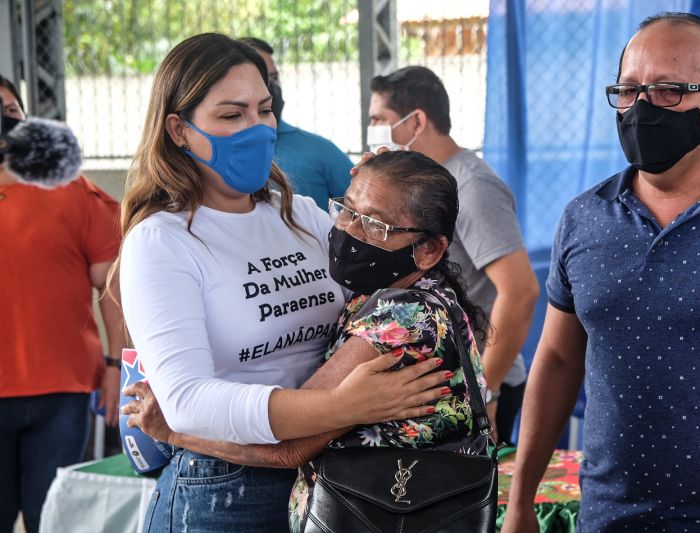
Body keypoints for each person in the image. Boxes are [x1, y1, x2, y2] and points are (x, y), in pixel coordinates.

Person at [116, 34, 449, 533]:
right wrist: (336, 407)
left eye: (263, 109)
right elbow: (185, 401)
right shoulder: (162, 240)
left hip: (324, 477)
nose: (256, 128)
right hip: (225, 488)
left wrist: (386, 191)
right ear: (178, 131)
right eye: (232, 116)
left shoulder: (300, 215)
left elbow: (394, 277)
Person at [502, 12, 700, 532]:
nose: (642, 107)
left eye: (668, 90)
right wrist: (522, 499)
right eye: (629, 89)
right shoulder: (584, 217)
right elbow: (555, 359)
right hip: (612, 517)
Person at [123, 150, 490, 532]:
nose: (349, 231)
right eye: (347, 210)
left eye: (376, 226)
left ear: (429, 250)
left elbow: (289, 449)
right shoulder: (419, 292)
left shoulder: (397, 323)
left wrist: (171, 432)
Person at [367, 66, 539, 444]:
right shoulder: (426, 185)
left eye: (380, 120)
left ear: (417, 121)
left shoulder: (472, 186)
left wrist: (484, 392)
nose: (373, 129)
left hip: (479, 382)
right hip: (443, 380)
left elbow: (520, 291)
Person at [0, 75, 124, 533]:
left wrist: (117, 365)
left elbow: (112, 289)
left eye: (11, 111)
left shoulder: (76, 193)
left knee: (52, 520)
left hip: (64, 394)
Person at [239, 37, 353, 210]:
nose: (271, 85)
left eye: (274, 77)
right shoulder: (220, 152)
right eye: (261, 77)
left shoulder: (319, 150)